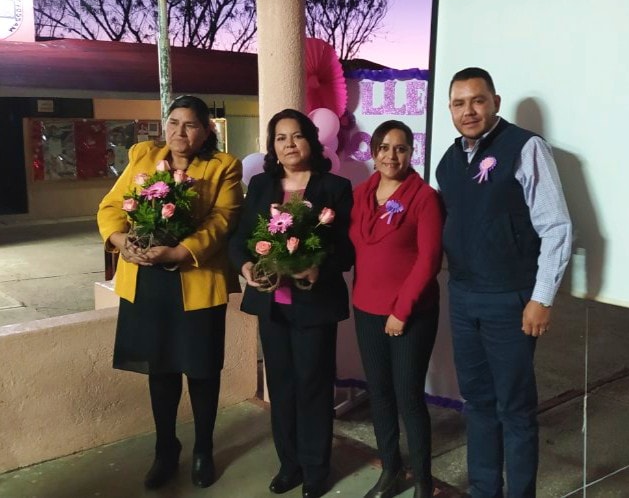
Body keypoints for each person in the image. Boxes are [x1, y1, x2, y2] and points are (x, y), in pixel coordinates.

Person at [435, 68, 572, 497]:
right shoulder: (449, 160)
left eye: (477, 100)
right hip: (463, 297)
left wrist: (541, 297)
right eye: (459, 103)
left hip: (510, 300)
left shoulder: (526, 147)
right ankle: (483, 490)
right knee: (477, 403)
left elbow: (557, 228)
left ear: (495, 100)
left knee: (514, 408)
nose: (468, 110)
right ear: (450, 110)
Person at [97, 95, 243, 490]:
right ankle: (166, 450)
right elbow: (111, 206)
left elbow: (223, 220)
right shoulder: (144, 156)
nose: (180, 132)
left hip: (194, 278)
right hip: (147, 278)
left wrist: (180, 251)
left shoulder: (223, 167)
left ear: (205, 130)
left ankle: (203, 450)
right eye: (174, 122)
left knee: (201, 370)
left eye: (190, 124)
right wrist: (121, 238)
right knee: (159, 370)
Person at [229, 108, 353, 498]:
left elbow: (348, 250)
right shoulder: (263, 186)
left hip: (314, 305)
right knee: (280, 388)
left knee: (313, 387)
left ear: (311, 141)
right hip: (272, 305)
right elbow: (239, 239)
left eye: (296, 136)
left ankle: (316, 467)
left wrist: (319, 268)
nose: (289, 144)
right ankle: (290, 464)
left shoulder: (334, 187)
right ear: (272, 147)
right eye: (281, 138)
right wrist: (247, 266)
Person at [349, 120, 444, 498]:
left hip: (411, 313)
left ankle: (423, 479)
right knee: (380, 393)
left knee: (407, 394)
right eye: (385, 147)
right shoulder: (361, 194)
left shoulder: (423, 197)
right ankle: (391, 469)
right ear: (373, 153)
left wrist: (401, 311)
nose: (392, 155)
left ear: (411, 152)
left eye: (401, 148)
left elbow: (429, 259)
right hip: (366, 309)